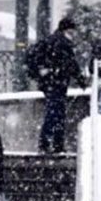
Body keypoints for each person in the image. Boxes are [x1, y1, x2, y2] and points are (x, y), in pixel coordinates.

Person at [25, 17, 85, 154]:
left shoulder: (49, 40)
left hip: (49, 83)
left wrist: (40, 74)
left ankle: (48, 144)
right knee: (56, 114)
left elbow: (31, 57)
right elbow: (71, 63)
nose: (73, 34)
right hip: (57, 82)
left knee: (54, 113)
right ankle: (53, 144)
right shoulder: (63, 42)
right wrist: (80, 79)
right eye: (72, 31)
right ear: (67, 30)